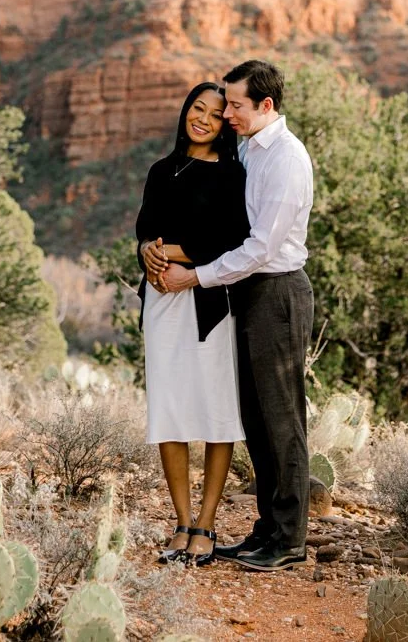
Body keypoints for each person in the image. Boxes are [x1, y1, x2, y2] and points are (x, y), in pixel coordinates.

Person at [153, 59, 314, 572]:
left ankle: (289, 538)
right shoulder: (251, 150)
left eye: (236, 106)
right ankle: (267, 529)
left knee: (283, 419)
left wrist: (195, 276)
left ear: (265, 106)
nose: (229, 115)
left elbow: (261, 247)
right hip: (246, 293)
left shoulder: (287, 158)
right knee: (257, 417)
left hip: (277, 292)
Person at [134, 82, 249, 567]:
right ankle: (182, 523)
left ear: (226, 124)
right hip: (161, 301)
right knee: (170, 411)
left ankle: (207, 523)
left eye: (216, 113)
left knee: (216, 411)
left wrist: (175, 252)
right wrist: (147, 251)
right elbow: (145, 227)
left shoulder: (232, 174)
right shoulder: (162, 169)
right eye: (197, 108)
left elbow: (232, 237)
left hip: (208, 302)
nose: (202, 118)